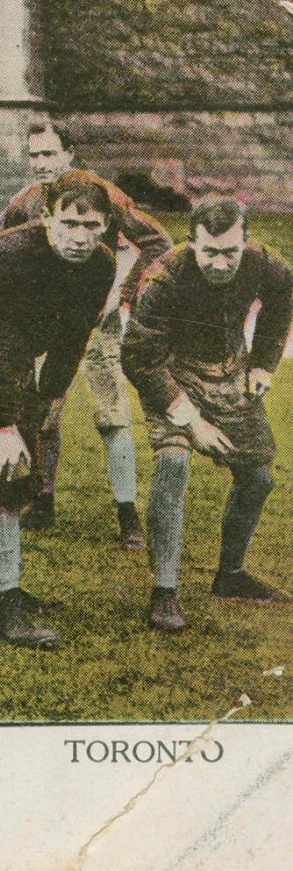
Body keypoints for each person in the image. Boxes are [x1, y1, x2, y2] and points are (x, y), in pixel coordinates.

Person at [0, 170, 117, 649]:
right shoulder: (9, 254)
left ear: (106, 224)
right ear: (48, 217)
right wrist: (3, 422)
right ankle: (6, 609)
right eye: (70, 223)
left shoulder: (101, 265)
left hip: (14, 368)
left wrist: (52, 396)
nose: (80, 237)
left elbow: (74, 336)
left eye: (91, 226)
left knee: (28, 477)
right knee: (6, 472)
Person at [0, 122, 171, 545]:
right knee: (45, 414)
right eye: (34, 155)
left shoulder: (104, 194)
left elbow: (157, 241)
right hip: (49, 326)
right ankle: (42, 499)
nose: (42, 164)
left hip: (98, 323)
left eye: (50, 155)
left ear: (69, 154)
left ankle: (127, 513)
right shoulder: (24, 203)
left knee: (112, 416)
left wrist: (120, 294)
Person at [122, 196, 291, 631]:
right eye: (209, 252)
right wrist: (190, 420)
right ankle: (165, 592)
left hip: (227, 368)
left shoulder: (265, 264)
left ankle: (230, 575)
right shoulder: (162, 277)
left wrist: (262, 363)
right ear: (192, 243)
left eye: (229, 252)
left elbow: (282, 299)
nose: (219, 264)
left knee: (258, 476)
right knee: (174, 462)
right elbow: (139, 358)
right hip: (170, 371)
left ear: (246, 242)